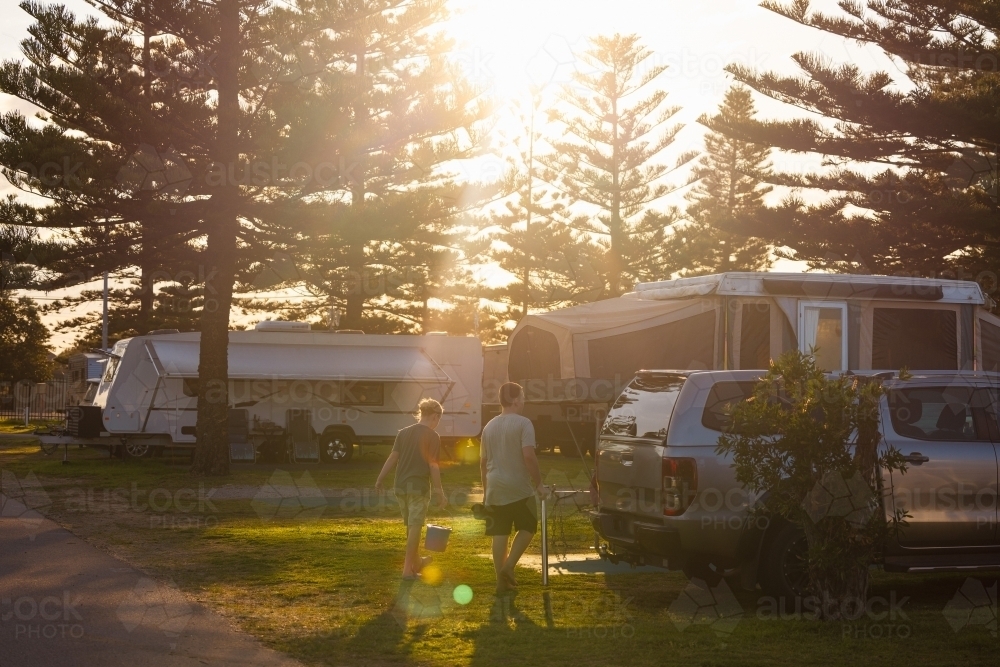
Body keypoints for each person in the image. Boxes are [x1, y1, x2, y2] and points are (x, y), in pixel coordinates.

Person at [480, 382, 548, 593]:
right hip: (518, 487)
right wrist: (539, 484)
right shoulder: (524, 423)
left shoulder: (488, 426)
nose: (524, 400)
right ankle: (508, 567)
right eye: (523, 396)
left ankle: (501, 584)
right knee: (528, 526)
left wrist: (485, 492)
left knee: (500, 534)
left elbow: (482, 462)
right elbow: (529, 456)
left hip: (494, 486)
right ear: (516, 400)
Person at [375, 398, 447, 579]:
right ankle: (407, 571)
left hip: (400, 487)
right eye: (439, 419)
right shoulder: (433, 436)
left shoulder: (403, 433)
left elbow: (393, 458)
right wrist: (439, 492)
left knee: (411, 527)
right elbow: (433, 467)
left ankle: (417, 563)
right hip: (419, 488)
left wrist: (380, 479)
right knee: (415, 527)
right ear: (435, 416)